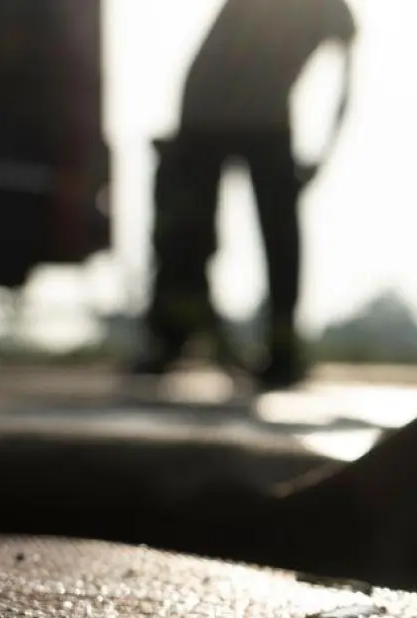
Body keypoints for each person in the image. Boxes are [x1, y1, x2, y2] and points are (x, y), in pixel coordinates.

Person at [133, 0, 356, 389]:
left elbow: (344, 83)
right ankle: (174, 337)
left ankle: (278, 347)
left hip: (256, 117)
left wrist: (322, 156)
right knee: (188, 234)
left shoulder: (335, 12)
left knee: (276, 233)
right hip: (209, 113)